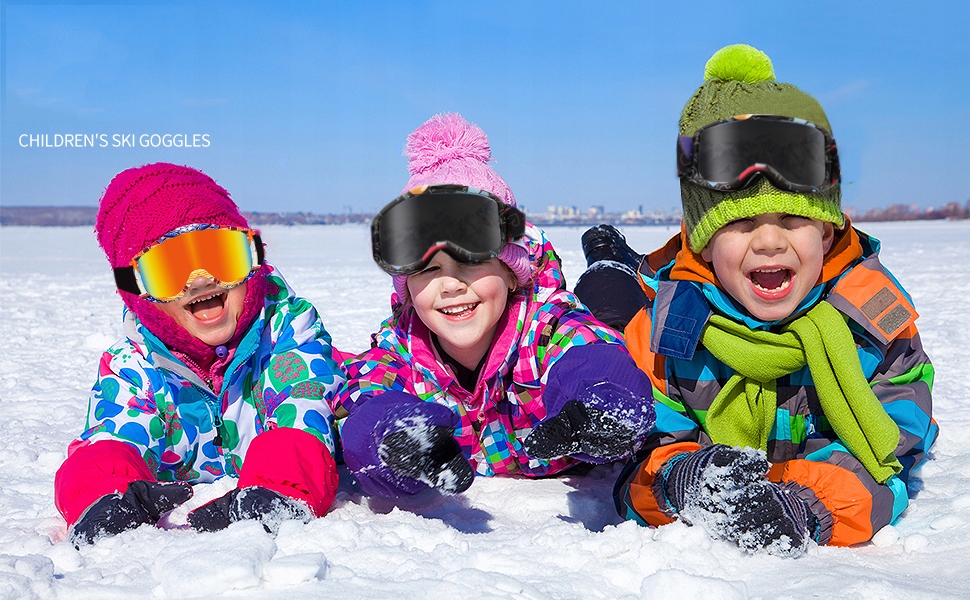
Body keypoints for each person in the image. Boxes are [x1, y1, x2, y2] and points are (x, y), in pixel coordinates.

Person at [577, 45, 938, 556]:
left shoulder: (872, 315)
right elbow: (645, 454)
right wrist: (683, 478)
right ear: (701, 242)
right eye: (741, 225)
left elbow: (898, 443)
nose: (769, 242)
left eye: (793, 222)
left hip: (815, 488)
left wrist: (805, 503)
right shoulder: (667, 328)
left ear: (829, 234)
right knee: (606, 303)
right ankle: (611, 259)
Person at [335, 113, 656, 498]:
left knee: (615, 309)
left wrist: (603, 404)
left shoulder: (548, 328)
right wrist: (392, 438)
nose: (451, 285)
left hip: (607, 318)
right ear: (407, 288)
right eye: (428, 269)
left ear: (509, 272)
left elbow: (588, 354)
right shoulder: (399, 350)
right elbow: (369, 400)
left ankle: (608, 257)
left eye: (470, 262)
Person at [54, 163, 344, 545]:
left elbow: (303, 407)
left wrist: (279, 489)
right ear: (135, 292)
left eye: (221, 255)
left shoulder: (287, 331)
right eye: (168, 269)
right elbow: (111, 437)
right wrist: (103, 495)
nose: (201, 280)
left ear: (253, 257)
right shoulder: (134, 366)